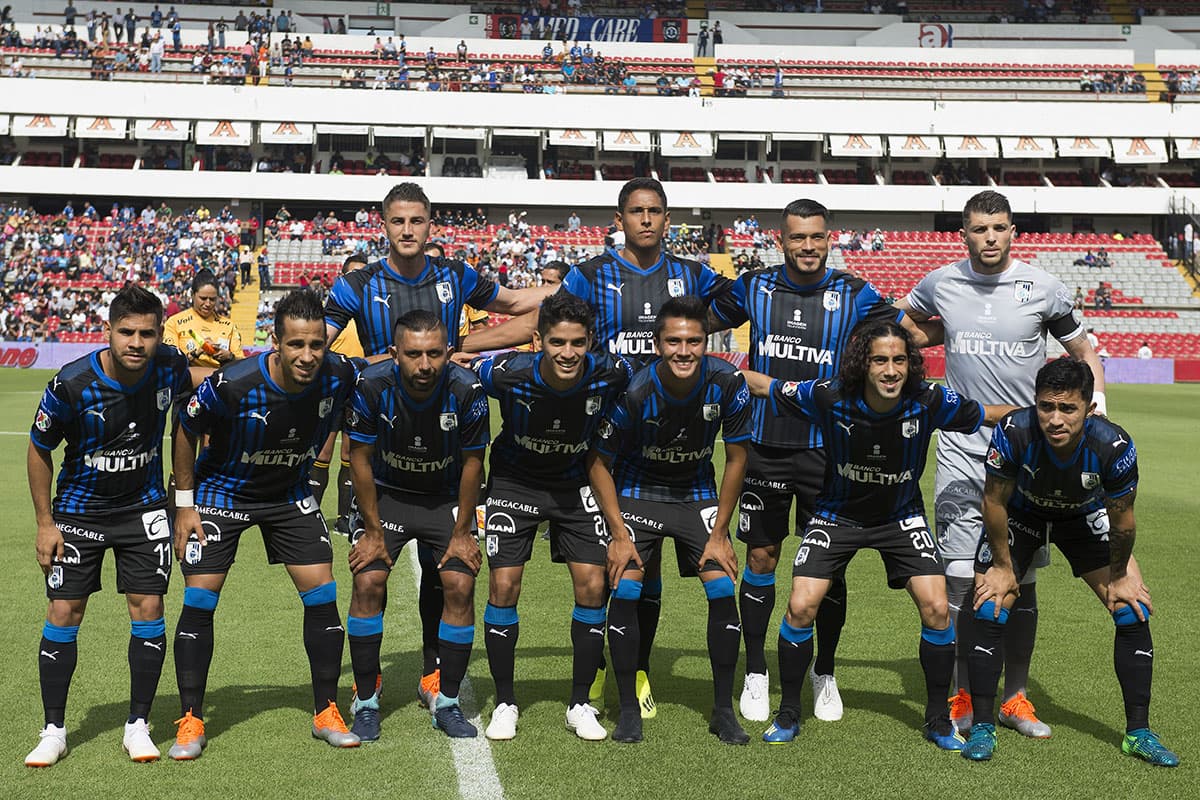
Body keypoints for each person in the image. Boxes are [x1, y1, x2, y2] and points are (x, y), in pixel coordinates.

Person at [459, 177, 733, 721]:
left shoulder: (697, 276)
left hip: (672, 427)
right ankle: (611, 666)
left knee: (640, 571)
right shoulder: (589, 275)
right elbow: (540, 325)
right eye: (637, 211)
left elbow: (735, 312)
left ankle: (637, 666)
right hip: (608, 433)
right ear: (620, 218)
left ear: (668, 218)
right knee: (628, 564)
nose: (647, 220)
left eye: (656, 211)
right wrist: (463, 345)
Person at [323, 182, 555, 712]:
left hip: (446, 446)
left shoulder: (456, 277)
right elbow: (317, 349)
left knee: (445, 573)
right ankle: (369, 686)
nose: (408, 230)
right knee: (371, 573)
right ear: (383, 225)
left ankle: (433, 674)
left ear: (432, 226)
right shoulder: (356, 284)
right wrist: (370, 365)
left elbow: (518, 303)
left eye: (418, 221)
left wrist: (577, 284)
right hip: (382, 443)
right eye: (398, 221)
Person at [709, 199, 936, 722]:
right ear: (780, 240)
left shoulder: (854, 292)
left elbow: (913, 335)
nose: (807, 247)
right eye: (797, 238)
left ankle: (824, 672)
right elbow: (694, 324)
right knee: (762, 560)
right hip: (765, 447)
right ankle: (757, 672)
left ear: (829, 238)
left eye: (816, 237)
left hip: (830, 452)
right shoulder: (753, 287)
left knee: (829, 570)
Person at [742, 321, 1015, 747]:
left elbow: (988, 414)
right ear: (862, 365)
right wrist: (711, 370)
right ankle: (789, 713)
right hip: (837, 515)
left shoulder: (930, 400)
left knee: (937, 608)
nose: (891, 370)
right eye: (880, 360)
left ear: (911, 365)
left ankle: (937, 720)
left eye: (899, 360)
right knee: (800, 606)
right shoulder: (830, 396)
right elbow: (767, 386)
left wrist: (1036, 413)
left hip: (901, 518)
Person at [896, 190, 1107, 738]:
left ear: (1014, 232)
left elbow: (1084, 352)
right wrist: (937, 336)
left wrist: (1098, 407)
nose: (989, 237)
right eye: (978, 229)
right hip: (963, 450)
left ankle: (1015, 696)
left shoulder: (1043, 286)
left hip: (1028, 454)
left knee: (1023, 578)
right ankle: (966, 691)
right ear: (962, 234)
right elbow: (907, 329)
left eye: (999, 228)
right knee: (962, 579)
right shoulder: (941, 282)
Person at [169, 290, 360, 760]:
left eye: (317, 344)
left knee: (322, 592)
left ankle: (326, 710)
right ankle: (191, 719)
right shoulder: (233, 383)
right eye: (297, 344)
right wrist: (185, 505)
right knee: (199, 599)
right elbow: (185, 430)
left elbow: (376, 378)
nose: (308, 355)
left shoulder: (339, 374)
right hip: (222, 493)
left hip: (288, 493)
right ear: (275, 340)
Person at [961, 359, 1179, 767]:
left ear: (1089, 408)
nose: (1055, 419)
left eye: (1068, 409)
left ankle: (1138, 733)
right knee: (990, 606)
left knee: (1132, 610)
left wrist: (1119, 576)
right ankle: (984, 726)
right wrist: (1004, 568)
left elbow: (1122, 521)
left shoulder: (1113, 445)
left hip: (1082, 516)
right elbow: (993, 501)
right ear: (1035, 404)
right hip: (1023, 516)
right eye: (1046, 407)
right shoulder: (1014, 431)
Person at [24, 286, 192, 767]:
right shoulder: (71, 384)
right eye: (127, 333)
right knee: (64, 611)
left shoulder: (171, 366)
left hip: (143, 509)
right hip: (79, 512)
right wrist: (44, 522)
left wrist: (183, 502)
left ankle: (137, 725)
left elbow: (188, 419)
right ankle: (54, 729)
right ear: (108, 331)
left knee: (149, 606)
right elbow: (39, 449)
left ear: (161, 334)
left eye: (147, 333)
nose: (137, 342)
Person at [472, 291, 632, 741]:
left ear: (590, 341)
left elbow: (645, 385)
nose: (567, 353)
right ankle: (504, 702)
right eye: (557, 342)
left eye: (577, 343)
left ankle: (580, 703)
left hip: (575, 485)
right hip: (514, 483)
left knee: (593, 584)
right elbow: (459, 375)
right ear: (538, 339)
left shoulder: (610, 373)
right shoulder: (505, 374)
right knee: (504, 585)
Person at [592, 297, 752, 745]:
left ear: (708, 341)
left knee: (722, 587)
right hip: (637, 491)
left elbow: (738, 456)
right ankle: (628, 709)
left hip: (695, 493)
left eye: (694, 341)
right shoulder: (635, 389)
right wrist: (619, 535)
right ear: (658, 343)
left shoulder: (727, 382)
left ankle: (723, 711)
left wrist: (720, 533)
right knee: (626, 585)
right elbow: (598, 463)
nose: (685, 350)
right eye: (674, 341)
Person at [344, 310, 489, 741]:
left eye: (434, 354)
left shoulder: (468, 390)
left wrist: (463, 533)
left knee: (460, 585)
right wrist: (371, 532)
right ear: (394, 354)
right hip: (388, 494)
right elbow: (359, 460)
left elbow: (472, 463)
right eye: (413, 354)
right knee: (368, 580)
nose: (424, 365)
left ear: (448, 352)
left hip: (444, 497)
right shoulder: (371, 385)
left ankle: (447, 701)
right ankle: (366, 700)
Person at [163, 270, 244, 369]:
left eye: (212, 299)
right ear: (193, 295)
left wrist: (229, 357)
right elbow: (170, 361)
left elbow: (242, 364)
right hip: (187, 381)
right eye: (203, 298)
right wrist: (197, 353)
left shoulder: (228, 325)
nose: (208, 304)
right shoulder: (174, 322)